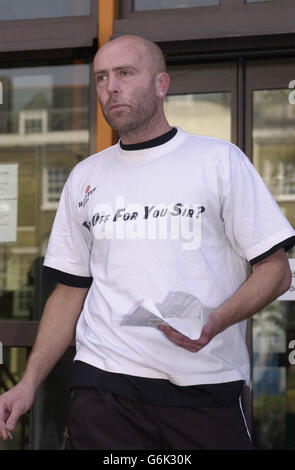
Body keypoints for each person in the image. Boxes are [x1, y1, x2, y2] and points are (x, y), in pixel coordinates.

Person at [0, 34, 294, 450]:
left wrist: (215, 322)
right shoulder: (85, 177)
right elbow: (68, 294)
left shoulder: (219, 161)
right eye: (101, 78)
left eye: (125, 73)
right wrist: (28, 383)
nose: (111, 87)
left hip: (204, 388)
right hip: (103, 389)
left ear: (161, 84)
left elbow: (276, 272)